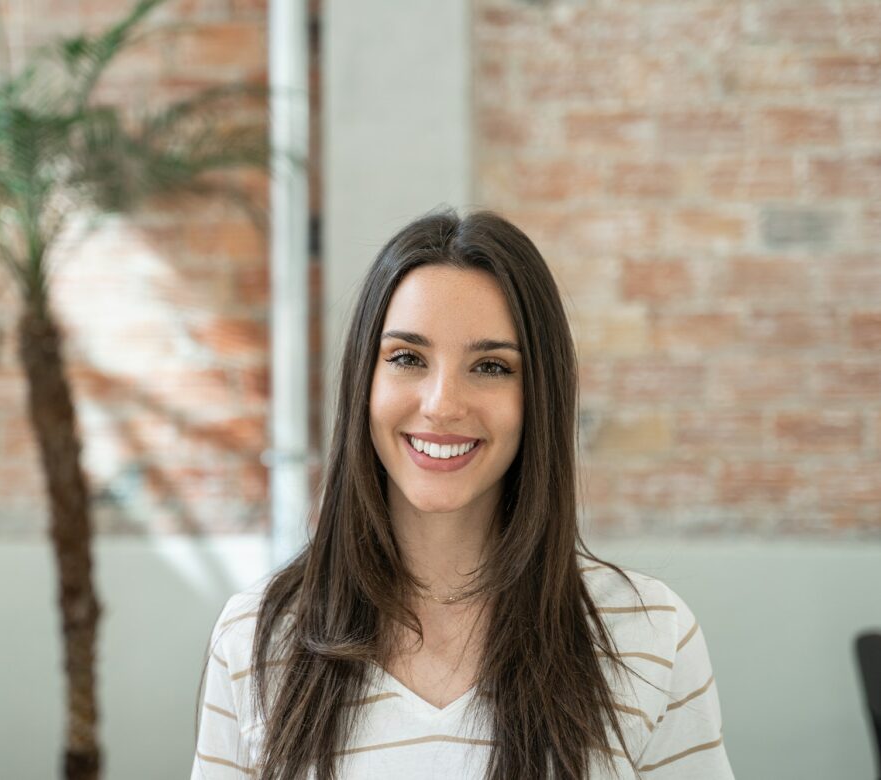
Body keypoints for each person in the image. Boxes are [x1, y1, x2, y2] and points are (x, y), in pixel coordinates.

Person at [192, 209, 734, 779]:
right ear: (363, 383)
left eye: (491, 366)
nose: (442, 404)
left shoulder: (651, 636)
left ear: (539, 396)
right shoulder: (255, 638)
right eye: (407, 358)